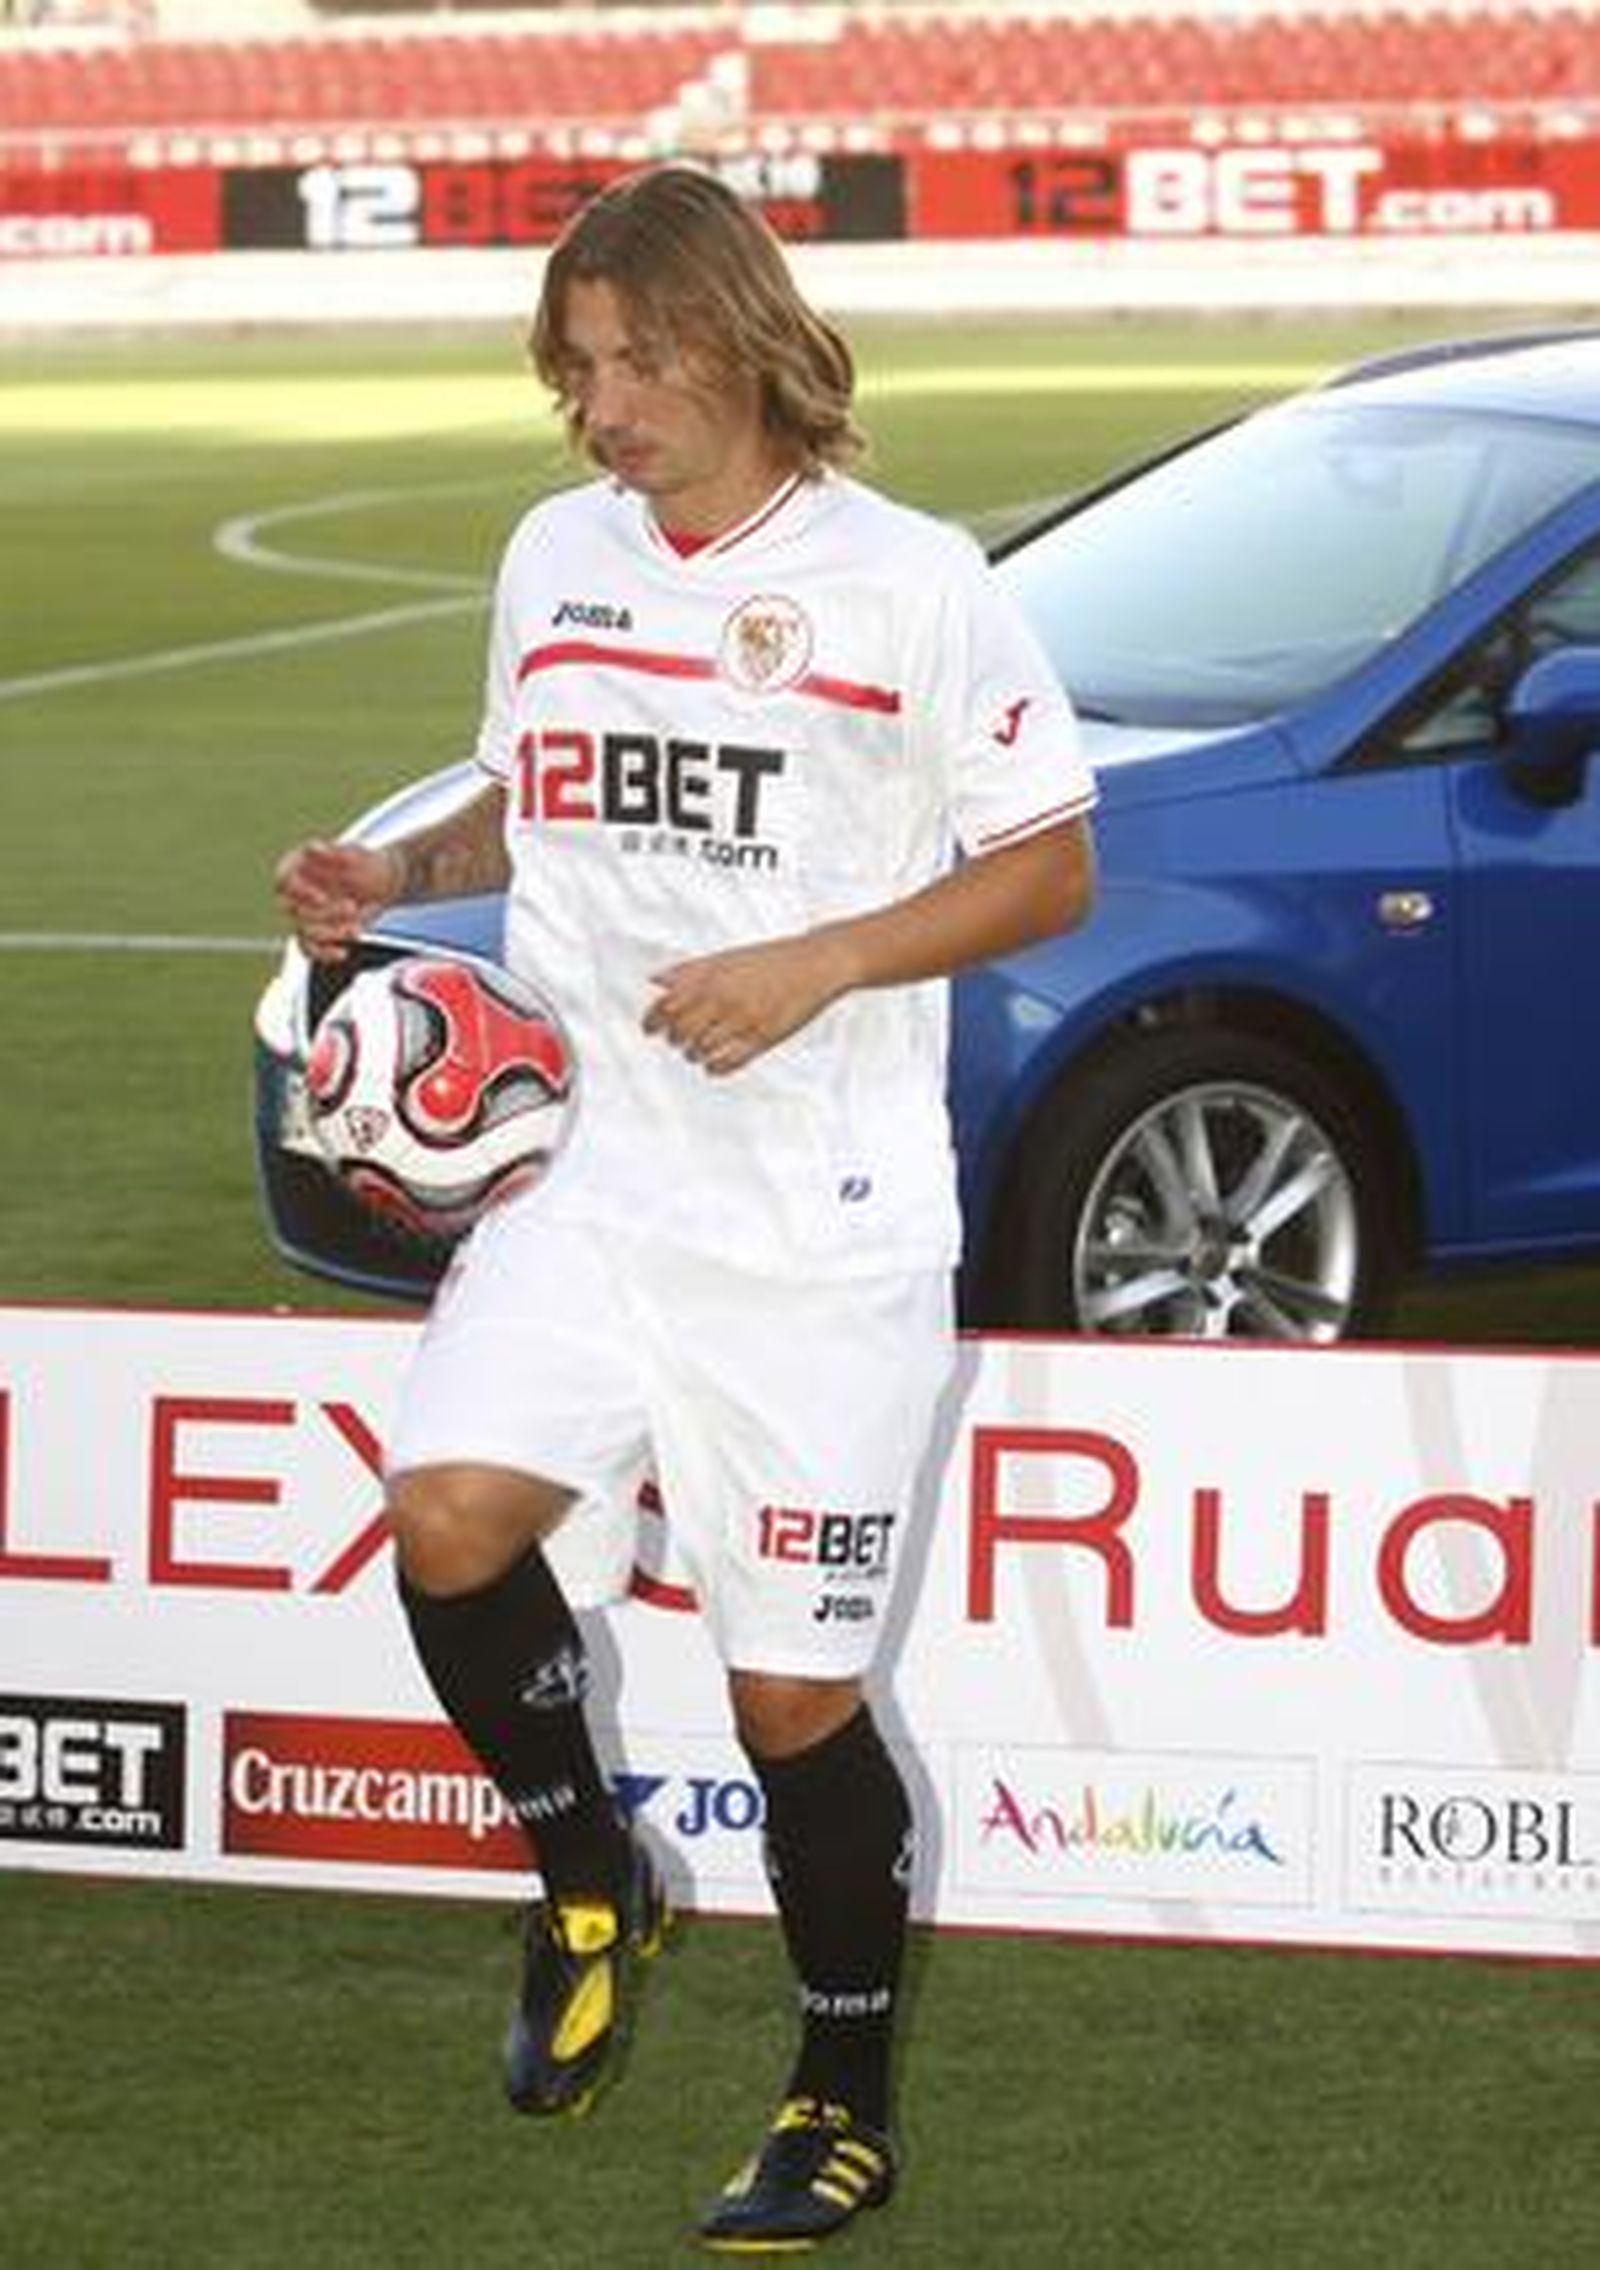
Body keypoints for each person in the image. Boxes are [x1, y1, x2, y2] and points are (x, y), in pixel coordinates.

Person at [275, 161, 1097, 2252]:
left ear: (739, 337)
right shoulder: (555, 553)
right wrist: (399, 869)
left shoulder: (907, 585)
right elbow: (526, 791)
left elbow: (1047, 864)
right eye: (577, 368)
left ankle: (839, 2103)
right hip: (590, 1177)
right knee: (447, 1523)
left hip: (817, 1228)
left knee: (789, 1702)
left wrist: (821, 960)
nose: (604, 408)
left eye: (637, 361)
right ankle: (591, 1873)